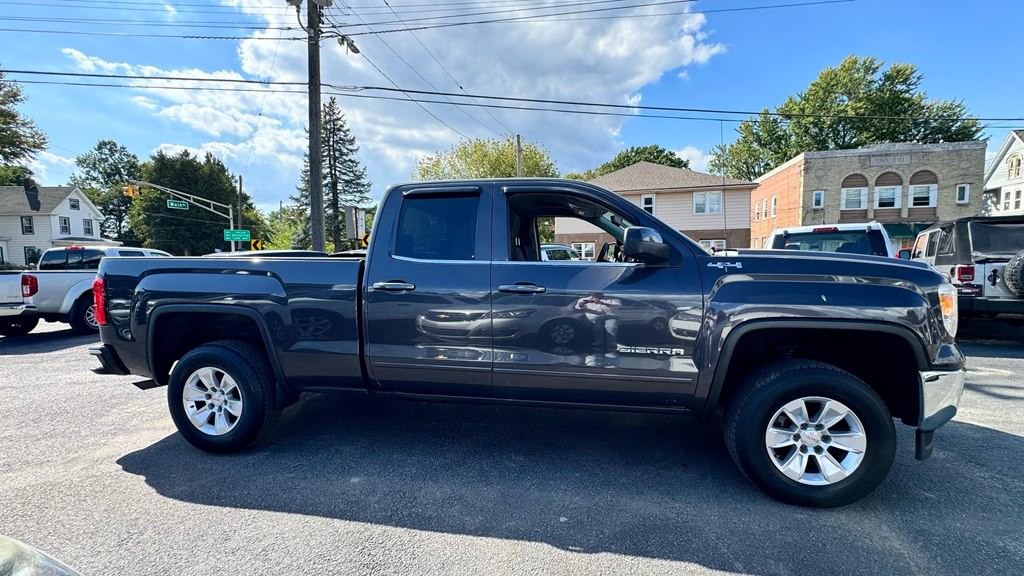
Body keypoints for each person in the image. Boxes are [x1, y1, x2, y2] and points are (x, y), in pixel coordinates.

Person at [574, 292, 621, 366]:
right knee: (596, 331)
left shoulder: (611, 297)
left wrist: (602, 302)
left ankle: (611, 349)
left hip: (610, 316)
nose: (596, 295)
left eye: (598, 293)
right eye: (594, 293)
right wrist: (584, 302)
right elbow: (578, 307)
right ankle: (597, 349)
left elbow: (618, 304)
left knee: (611, 330)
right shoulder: (585, 299)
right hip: (594, 317)